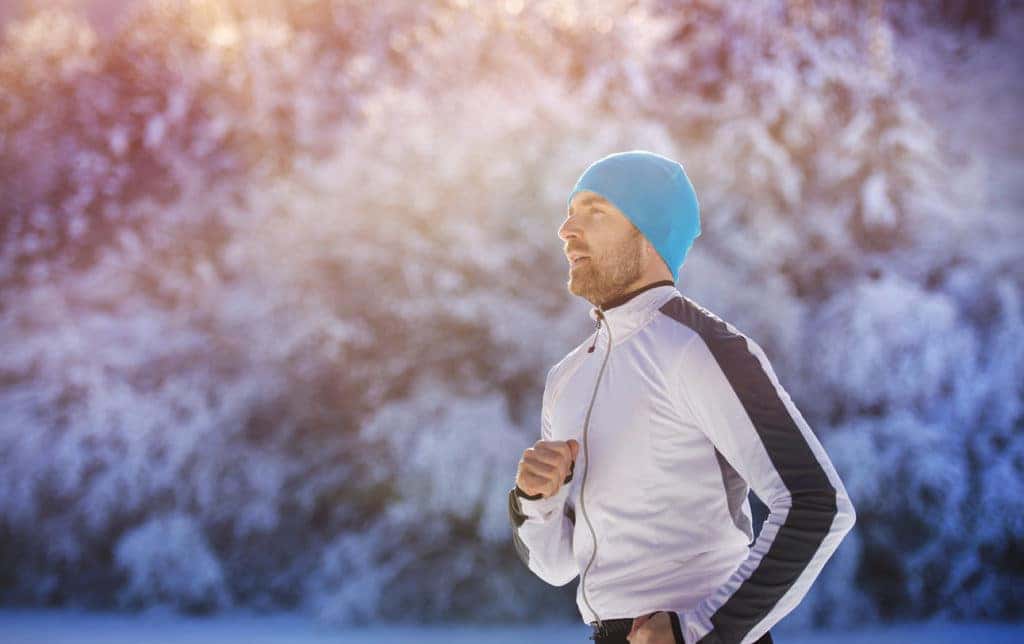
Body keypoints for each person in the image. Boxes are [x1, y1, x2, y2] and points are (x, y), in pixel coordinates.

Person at [507, 151, 857, 644]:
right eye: (570, 211)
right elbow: (557, 565)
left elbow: (817, 503)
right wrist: (535, 502)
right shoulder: (568, 377)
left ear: (648, 231)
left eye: (594, 211)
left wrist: (699, 631)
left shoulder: (700, 347)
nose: (566, 228)